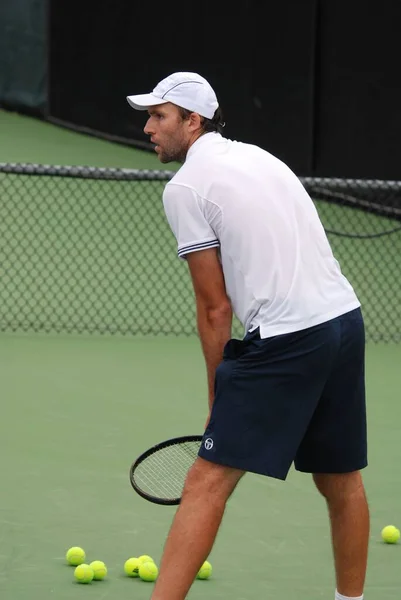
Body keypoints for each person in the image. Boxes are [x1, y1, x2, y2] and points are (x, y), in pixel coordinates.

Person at [126, 72, 369, 600]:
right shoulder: (262, 157)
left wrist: (219, 395)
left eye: (159, 117)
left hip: (289, 338)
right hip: (344, 322)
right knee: (339, 480)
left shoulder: (185, 187)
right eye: (149, 116)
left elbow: (215, 308)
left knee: (205, 483)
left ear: (193, 122)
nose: (149, 128)